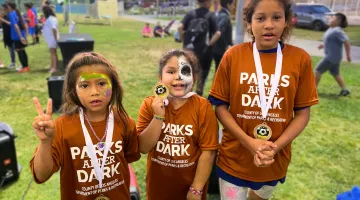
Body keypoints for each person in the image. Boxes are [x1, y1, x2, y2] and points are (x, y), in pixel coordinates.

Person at [208, 0, 319, 199]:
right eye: (260, 18)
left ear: (286, 21)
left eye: (276, 17)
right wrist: (250, 143)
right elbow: (220, 107)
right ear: (249, 23)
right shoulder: (233, 56)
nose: (269, 25)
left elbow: (302, 113)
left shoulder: (300, 59)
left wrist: (275, 148)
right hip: (235, 156)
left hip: (273, 159)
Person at [30, 52, 141, 199]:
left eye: (101, 84)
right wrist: (45, 142)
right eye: (84, 85)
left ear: (113, 86)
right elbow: (41, 175)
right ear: (74, 90)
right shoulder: (62, 126)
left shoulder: (125, 121)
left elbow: (129, 157)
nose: (94, 92)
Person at [137, 49, 219, 200]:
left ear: (194, 77)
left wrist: (196, 189)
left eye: (185, 71)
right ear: (160, 77)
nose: (179, 76)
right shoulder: (149, 104)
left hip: (191, 187)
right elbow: (143, 147)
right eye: (171, 71)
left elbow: (208, 152)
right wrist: (158, 117)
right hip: (158, 188)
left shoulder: (202, 107)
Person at [178, 0, 221, 96]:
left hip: (189, 51)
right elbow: (218, 33)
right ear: (207, 3)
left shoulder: (190, 13)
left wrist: (183, 41)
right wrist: (209, 44)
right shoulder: (211, 15)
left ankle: (185, 95)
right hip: (205, 52)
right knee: (202, 75)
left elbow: (180, 27)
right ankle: (198, 96)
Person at [315, 13, 352, 96]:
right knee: (335, 73)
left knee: (317, 70)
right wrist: (323, 45)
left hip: (331, 57)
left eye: (332, 18)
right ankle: (345, 90)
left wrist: (348, 55)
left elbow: (346, 42)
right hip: (334, 57)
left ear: (338, 21)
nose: (330, 19)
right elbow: (331, 41)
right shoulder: (331, 29)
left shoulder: (338, 30)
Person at [0, 2, 29, 73]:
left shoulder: (11, 14)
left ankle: (24, 67)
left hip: (17, 36)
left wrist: (20, 37)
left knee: (19, 51)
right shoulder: (17, 13)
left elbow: (15, 26)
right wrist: (25, 36)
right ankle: (26, 66)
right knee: (23, 51)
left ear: (10, 7)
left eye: (7, 6)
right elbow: (25, 25)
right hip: (22, 35)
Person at [212, 0, 235, 71]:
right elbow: (219, 32)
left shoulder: (218, 14)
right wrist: (226, 46)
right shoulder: (225, 16)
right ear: (228, 4)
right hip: (221, 50)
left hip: (216, 49)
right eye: (233, 4)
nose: (234, 7)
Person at [42, 5, 59, 73]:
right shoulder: (49, 18)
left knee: (53, 53)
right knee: (52, 53)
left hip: (53, 39)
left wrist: (55, 39)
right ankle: (52, 65)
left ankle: (54, 68)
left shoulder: (51, 19)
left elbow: (54, 29)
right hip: (51, 39)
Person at [0, 3, 16, 69]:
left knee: (13, 49)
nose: (2, 9)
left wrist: (3, 20)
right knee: (10, 49)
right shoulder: (4, 15)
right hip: (6, 33)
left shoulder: (10, 15)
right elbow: (2, 23)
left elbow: (11, 24)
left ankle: (13, 62)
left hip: (11, 33)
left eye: (3, 8)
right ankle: (13, 62)